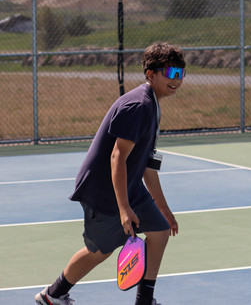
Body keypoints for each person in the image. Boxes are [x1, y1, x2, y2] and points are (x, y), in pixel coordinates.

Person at [35, 41, 185, 305]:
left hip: (130, 187)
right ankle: (53, 295)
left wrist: (164, 209)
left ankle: (144, 300)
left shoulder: (153, 103)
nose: (177, 80)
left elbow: (148, 164)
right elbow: (118, 158)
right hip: (103, 190)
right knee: (99, 251)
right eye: (170, 73)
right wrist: (124, 209)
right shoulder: (138, 106)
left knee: (160, 231)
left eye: (181, 74)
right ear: (150, 74)